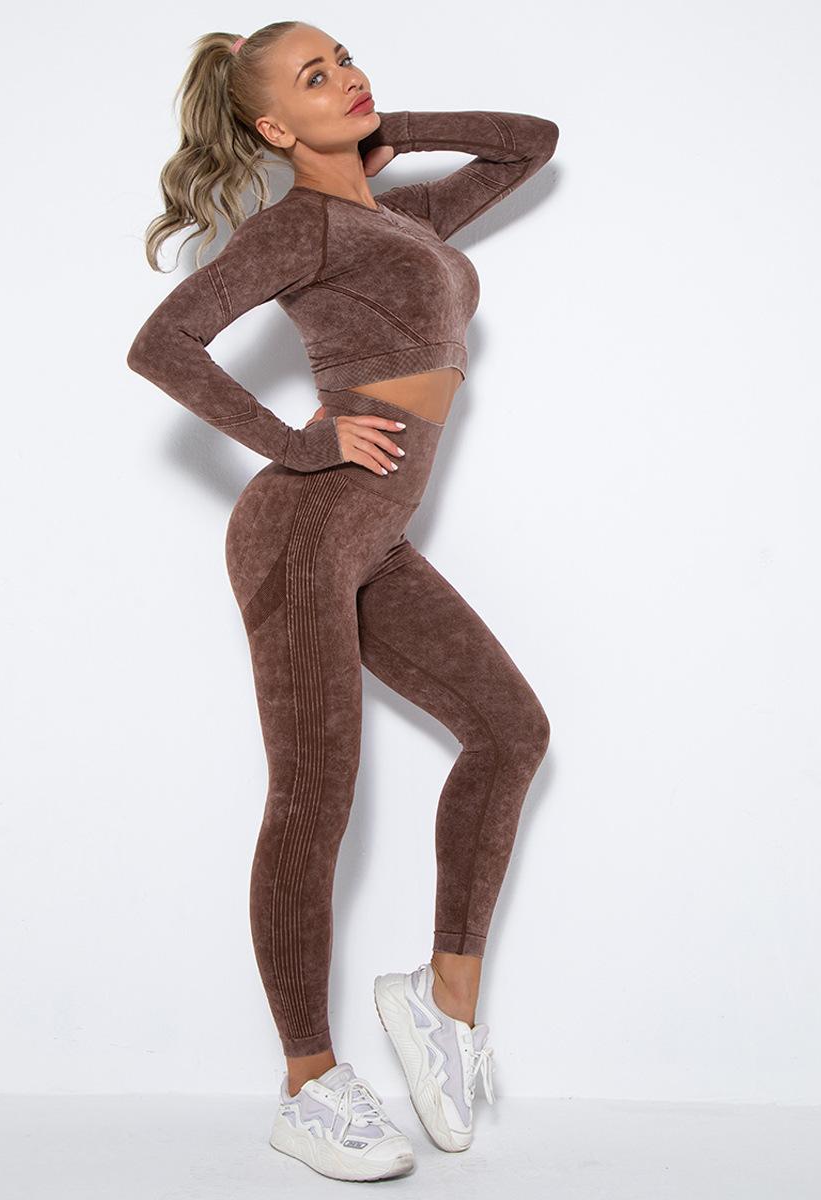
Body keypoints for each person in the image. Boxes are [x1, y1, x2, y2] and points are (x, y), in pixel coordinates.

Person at [126, 21, 558, 1182]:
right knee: (315, 799)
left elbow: (530, 141)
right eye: (313, 79)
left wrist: (378, 132)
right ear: (272, 125)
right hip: (304, 530)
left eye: (346, 60)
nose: (348, 78)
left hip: (376, 536)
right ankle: (308, 1085)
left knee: (511, 732)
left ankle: (440, 1002)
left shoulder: (396, 219)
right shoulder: (301, 225)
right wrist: (295, 444)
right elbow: (163, 344)